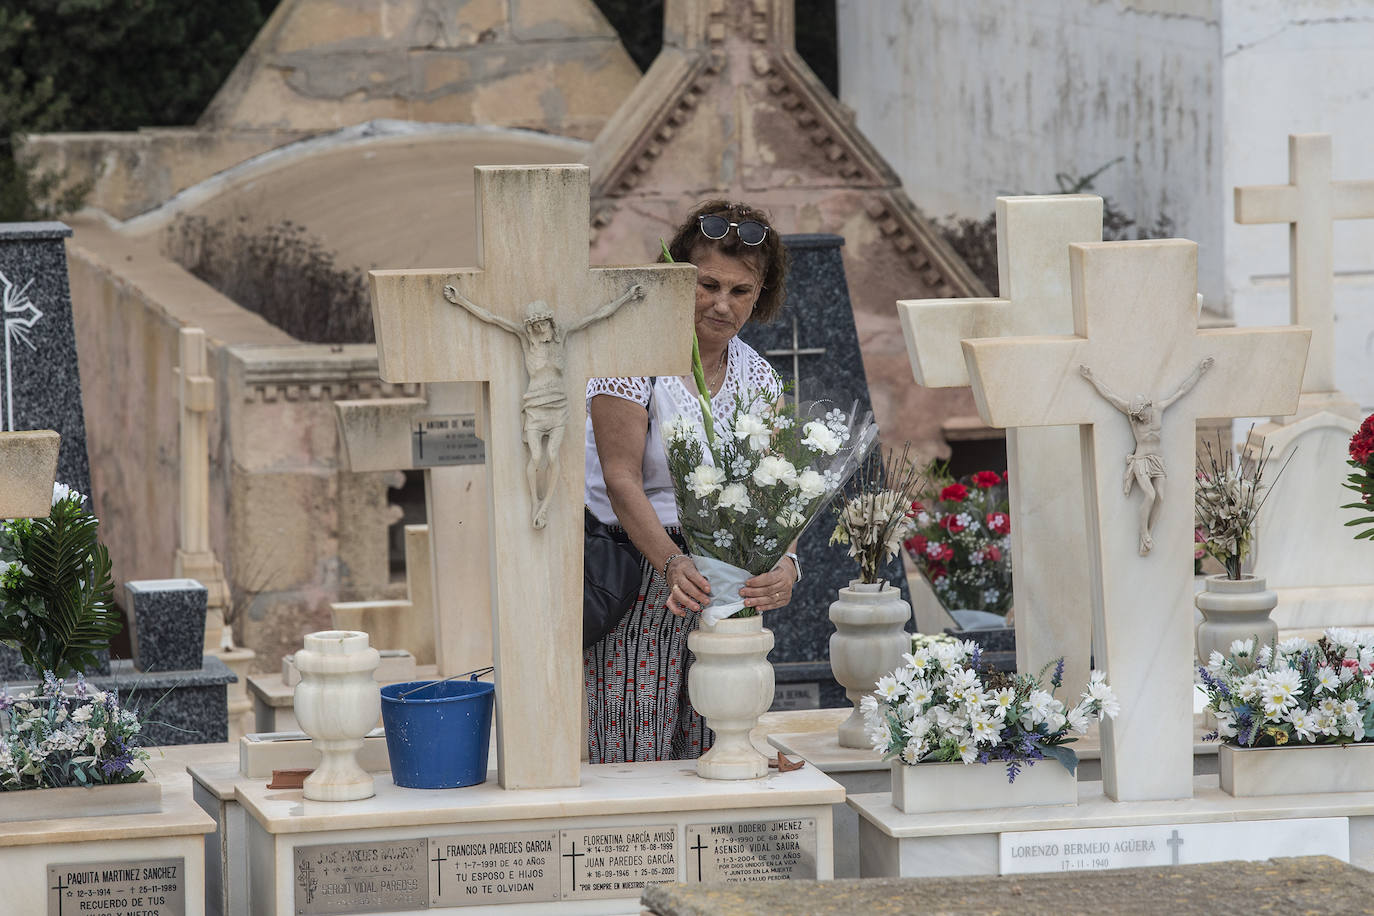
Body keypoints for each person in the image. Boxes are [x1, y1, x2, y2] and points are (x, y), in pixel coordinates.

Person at [583, 201, 801, 764]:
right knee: (636, 744)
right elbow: (620, 477)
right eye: (708, 285)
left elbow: (777, 490)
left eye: (741, 291)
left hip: (724, 585)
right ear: (677, 280)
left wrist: (785, 564)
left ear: (761, 296)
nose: (722, 304)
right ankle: (635, 853)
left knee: (718, 741)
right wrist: (672, 563)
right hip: (639, 574)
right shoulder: (631, 360)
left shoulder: (758, 376)